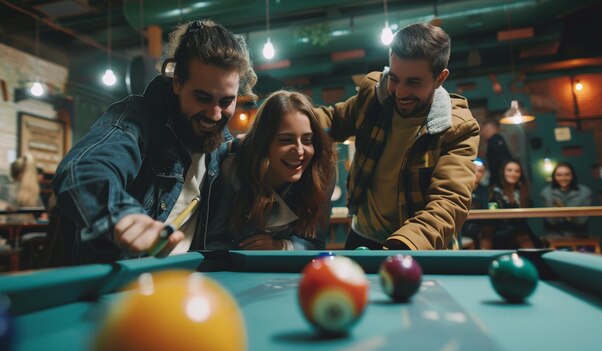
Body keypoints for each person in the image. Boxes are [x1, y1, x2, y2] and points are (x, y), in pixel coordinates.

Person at [50, 20, 257, 265]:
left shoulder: (219, 143)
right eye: (203, 98)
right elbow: (83, 170)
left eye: (226, 102)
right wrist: (121, 215)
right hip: (113, 290)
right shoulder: (134, 121)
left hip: (180, 286)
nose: (214, 114)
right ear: (177, 82)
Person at [315, 23, 480, 250]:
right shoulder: (373, 95)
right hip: (361, 238)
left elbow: (449, 203)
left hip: (418, 246)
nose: (400, 92)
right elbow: (330, 120)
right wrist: (286, 118)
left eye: (414, 82)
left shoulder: (458, 128)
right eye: (394, 78)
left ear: (440, 78)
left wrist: (403, 245)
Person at [205, 91, 335, 250]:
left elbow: (316, 244)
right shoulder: (233, 167)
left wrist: (280, 246)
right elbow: (213, 240)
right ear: (264, 143)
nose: (300, 150)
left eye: (307, 140)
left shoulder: (322, 174)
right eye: (286, 140)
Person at [489, 159, 540, 249]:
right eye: (509, 170)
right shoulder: (495, 191)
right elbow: (493, 215)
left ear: (520, 174)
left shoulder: (523, 191)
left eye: (517, 171)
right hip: (501, 232)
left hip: (522, 230)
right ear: (503, 172)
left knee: (534, 242)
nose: (513, 173)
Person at [539, 162, 592, 238]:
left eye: (567, 174)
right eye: (559, 175)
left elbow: (581, 221)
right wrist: (571, 214)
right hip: (554, 236)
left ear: (572, 176)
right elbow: (552, 221)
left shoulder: (585, 192)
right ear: (554, 176)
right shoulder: (546, 192)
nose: (563, 178)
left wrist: (559, 207)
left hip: (578, 235)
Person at [459, 158, 489, 248]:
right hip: (459, 228)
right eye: (473, 170)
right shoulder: (459, 189)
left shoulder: (485, 191)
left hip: (477, 230)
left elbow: (486, 213)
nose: (476, 173)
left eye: (480, 171)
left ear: (483, 174)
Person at [481, 118, 512, 186]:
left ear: (488, 128)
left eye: (483, 129)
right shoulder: (497, 140)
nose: (482, 133)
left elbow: (503, 162)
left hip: (501, 184)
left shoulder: (495, 141)